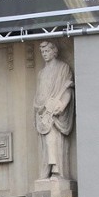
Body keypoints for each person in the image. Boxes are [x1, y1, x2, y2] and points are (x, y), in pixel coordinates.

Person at [33, 41, 74, 179]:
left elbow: (67, 89)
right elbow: (39, 95)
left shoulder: (63, 68)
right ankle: (47, 170)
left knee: (53, 139)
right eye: (42, 52)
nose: (45, 54)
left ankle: (56, 170)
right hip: (44, 113)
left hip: (56, 114)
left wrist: (61, 104)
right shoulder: (41, 74)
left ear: (54, 51)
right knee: (45, 143)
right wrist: (41, 108)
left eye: (47, 51)